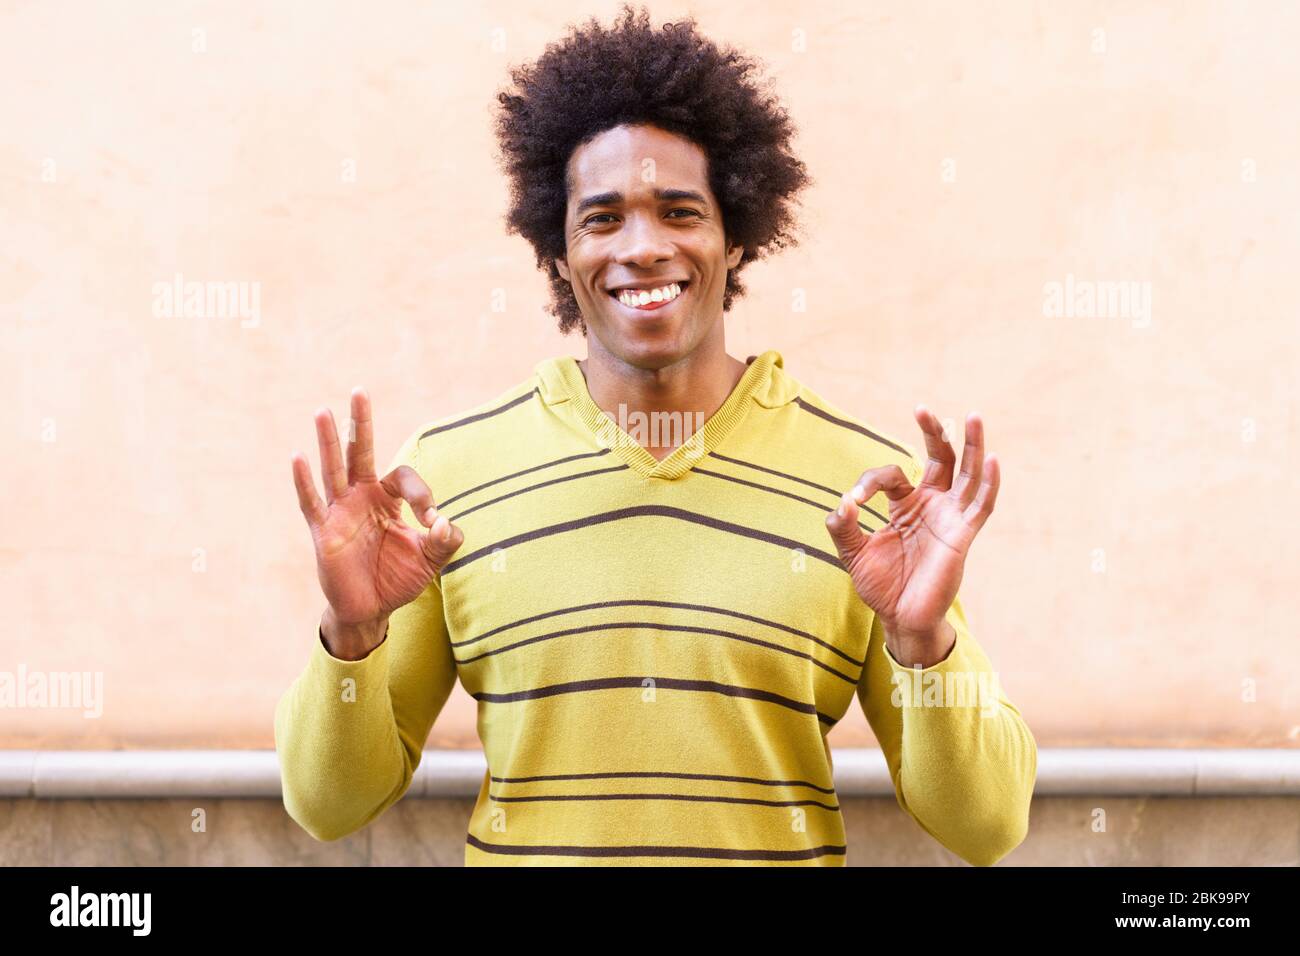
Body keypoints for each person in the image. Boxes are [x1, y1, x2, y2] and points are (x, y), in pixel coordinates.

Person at [275, 4, 1036, 866]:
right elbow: (328, 807)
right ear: (557, 254)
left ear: (735, 238)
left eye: (679, 211)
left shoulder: (865, 487)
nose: (641, 247)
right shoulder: (443, 479)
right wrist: (350, 635)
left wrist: (926, 645)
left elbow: (988, 826)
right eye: (602, 219)